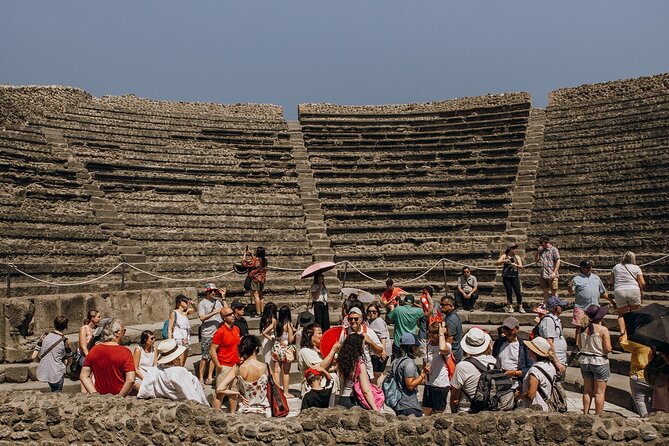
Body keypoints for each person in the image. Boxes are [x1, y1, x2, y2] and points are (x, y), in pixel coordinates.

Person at [137, 339, 209, 406]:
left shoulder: (153, 370)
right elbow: (192, 396)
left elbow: (145, 392)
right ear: (175, 358)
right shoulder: (180, 372)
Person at [217, 335, 271, 416]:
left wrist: (237, 394)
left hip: (244, 410)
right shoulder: (265, 367)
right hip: (264, 410)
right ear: (256, 348)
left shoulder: (237, 367)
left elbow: (219, 389)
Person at [80, 318, 135, 396]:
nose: (124, 334)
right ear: (117, 333)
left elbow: (83, 376)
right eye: (124, 331)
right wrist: (120, 396)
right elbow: (131, 379)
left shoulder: (93, 350)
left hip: (101, 398)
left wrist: (94, 393)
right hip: (120, 398)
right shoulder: (125, 352)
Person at [576, 304, 612, 415]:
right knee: (599, 393)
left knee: (587, 391)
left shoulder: (582, 328)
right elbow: (608, 348)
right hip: (599, 361)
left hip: (585, 361)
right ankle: (598, 415)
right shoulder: (603, 330)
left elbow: (579, 344)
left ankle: (585, 414)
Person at [450, 327, 495, 413]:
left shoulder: (462, 366)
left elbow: (454, 397)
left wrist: (454, 411)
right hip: (489, 410)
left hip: (467, 411)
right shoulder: (494, 361)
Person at [336, 333, 380, 411]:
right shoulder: (360, 364)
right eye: (363, 344)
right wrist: (375, 409)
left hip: (342, 399)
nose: (364, 346)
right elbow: (366, 390)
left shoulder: (342, 361)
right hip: (354, 401)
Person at [389, 333, 429, 417]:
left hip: (398, 404)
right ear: (412, 347)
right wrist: (423, 374)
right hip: (408, 405)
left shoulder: (395, 361)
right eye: (416, 346)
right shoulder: (408, 363)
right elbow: (410, 385)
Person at [339, 307, 384, 381]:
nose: (353, 321)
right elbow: (340, 351)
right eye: (350, 319)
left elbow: (379, 353)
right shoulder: (344, 332)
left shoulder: (369, 332)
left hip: (366, 372)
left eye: (356, 319)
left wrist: (370, 342)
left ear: (361, 319)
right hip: (348, 373)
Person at [298, 323, 339, 400]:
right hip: (314, 391)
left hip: (329, 387)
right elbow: (321, 367)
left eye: (322, 333)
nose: (322, 336)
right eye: (319, 333)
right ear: (310, 335)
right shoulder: (305, 351)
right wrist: (333, 350)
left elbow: (335, 365)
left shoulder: (322, 350)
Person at [211, 307, 241, 412]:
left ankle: (232, 415)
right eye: (229, 314)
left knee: (234, 392)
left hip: (235, 365)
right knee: (220, 393)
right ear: (224, 318)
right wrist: (218, 365)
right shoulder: (220, 331)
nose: (232, 315)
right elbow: (212, 349)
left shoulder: (237, 329)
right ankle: (215, 415)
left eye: (233, 313)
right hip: (224, 365)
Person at [515, 337, 557, 412]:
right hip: (546, 405)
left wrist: (519, 396)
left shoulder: (535, 371)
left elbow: (531, 394)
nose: (528, 350)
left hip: (536, 408)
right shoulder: (550, 366)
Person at [32, 316, 72, 392]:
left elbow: (34, 356)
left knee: (53, 391)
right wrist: (65, 365)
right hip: (57, 372)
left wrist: (41, 361)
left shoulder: (44, 336)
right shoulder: (65, 341)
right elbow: (70, 360)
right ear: (66, 326)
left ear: (54, 324)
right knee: (57, 393)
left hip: (45, 371)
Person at [568, 260, 611, 327]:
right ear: (582, 268)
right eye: (587, 267)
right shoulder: (576, 279)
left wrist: (611, 301)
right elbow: (571, 291)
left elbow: (603, 292)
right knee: (580, 327)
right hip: (582, 308)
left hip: (595, 308)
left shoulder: (596, 278)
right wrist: (570, 288)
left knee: (597, 327)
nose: (589, 269)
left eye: (590, 267)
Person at [493, 316, 532, 388]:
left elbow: (530, 367)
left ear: (517, 329)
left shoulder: (523, 345)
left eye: (509, 329)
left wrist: (515, 373)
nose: (506, 331)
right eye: (504, 328)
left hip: (516, 382)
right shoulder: (498, 343)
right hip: (499, 380)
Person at [610, 251, 645, 332]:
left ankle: (622, 333)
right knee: (634, 313)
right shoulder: (636, 268)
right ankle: (633, 332)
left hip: (619, 291)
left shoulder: (616, 267)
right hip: (633, 290)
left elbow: (611, 281)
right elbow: (642, 282)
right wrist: (641, 290)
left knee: (621, 315)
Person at [620, 331, 653, 417]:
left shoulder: (640, 343)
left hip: (639, 376)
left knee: (642, 406)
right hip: (656, 378)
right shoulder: (660, 344)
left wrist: (625, 331)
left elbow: (623, 342)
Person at [422, 321, 452, 415]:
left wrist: (441, 333)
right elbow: (425, 359)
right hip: (429, 383)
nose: (429, 334)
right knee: (426, 411)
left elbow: (442, 348)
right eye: (429, 331)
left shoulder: (447, 346)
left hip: (440, 384)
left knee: (438, 413)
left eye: (433, 332)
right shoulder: (428, 344)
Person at [198, 284, 225, 385]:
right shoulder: (202, 303)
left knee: (214, 357)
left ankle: (209, 377)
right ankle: (201, 377)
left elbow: (226, 311)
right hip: (207, 334)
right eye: (211, 291)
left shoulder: (218, 302)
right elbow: (201, 318)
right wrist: (214, 313)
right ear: (206, 292)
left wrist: (223, 297)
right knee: (205, 357)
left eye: (214, 291)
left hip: (217, 333)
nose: (213, 293)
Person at [386, 294, 424, 360]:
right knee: (409, 363)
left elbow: (388, 320)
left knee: (396, 363)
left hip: (399, 342)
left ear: (404, 301)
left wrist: (391, 309)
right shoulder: (418, 311)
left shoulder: (398, 309)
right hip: (411, 342)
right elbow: (424, 310)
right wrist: (414, 304)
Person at [272, 305, 296, 398]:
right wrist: (296, 333)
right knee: (285, 372)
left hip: (276, 347)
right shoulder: (288, 324)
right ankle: (286, 392)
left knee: (276, 371)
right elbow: (290, 340)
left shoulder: (276, 323)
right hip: (285, 349)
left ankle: (277, 392)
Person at [541, 296, 569, 376]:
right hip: (554, 362)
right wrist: (556, 362)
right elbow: (550, 342)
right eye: (561, 306)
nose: (562, 308)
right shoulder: (548, 320)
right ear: (555, 308)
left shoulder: (555, 319)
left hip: (560, 360)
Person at [76, 310, 101, 391]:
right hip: (85, 356)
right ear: (92, 318)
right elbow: (83, 346)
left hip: (95, 356)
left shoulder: (98, 330)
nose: (100, 319)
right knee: (86, 376)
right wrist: (90, 359)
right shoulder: (84, 329)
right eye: (98, 317)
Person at [496, 243, 525, 313]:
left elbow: (521, 266)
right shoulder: (504, 256)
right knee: (509, 292)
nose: (515, 250)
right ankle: (510, 306)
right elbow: (496, 263)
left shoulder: (517, 257)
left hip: (515, 276)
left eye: (515, 248)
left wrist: (515, 265)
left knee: (518, 292)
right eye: (514, 248)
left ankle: (520, 306)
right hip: (506, 277)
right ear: (510, 249)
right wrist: (504, 261)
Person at [366, 302, 391, 385]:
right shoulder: (370, 321)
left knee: (377, 372)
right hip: (375, 350)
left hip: (380, 351)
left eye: (374, 311)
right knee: (376, 372)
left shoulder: (379, 321)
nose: (371, 313)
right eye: (369, 311)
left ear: (378, 312)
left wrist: (383, 350)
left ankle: (379, 390)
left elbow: (383, 337)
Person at [242, 246, 268, 316]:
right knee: (261, 295)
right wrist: (251, 254)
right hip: (262, 279)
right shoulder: (265, 260)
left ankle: (258, 312)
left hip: (255, 279)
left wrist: (244, 254)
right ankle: (262, 311)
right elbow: (256, 262)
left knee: (256, 296)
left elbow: (244, 264)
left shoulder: (255, 261)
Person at [534, 235, 561, 300]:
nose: (540, 244)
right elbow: (536, 260)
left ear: (545, 242)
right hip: (543, 274)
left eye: (541, 243)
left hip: (551, 273)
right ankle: (546, 305)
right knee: (545, 291)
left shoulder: (554, 249)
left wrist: (554, 272)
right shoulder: (541, 250)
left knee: (554, 291)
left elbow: (558, 261)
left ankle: (556, 306)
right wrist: (538, 251)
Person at [440, 297, 463, 363]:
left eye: (443, 305)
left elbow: (450, 338)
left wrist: (444, 353)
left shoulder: (451, 319)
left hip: (453, 353)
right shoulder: (450, 316)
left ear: (450, 306)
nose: (441, 307)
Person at [260, 302, 278, 373]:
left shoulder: (264, 319)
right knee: (270, 363)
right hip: (269, 341)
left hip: (264, 341)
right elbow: (264, 332)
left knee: (266, 361)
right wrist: (271, 339)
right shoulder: (273, 320)